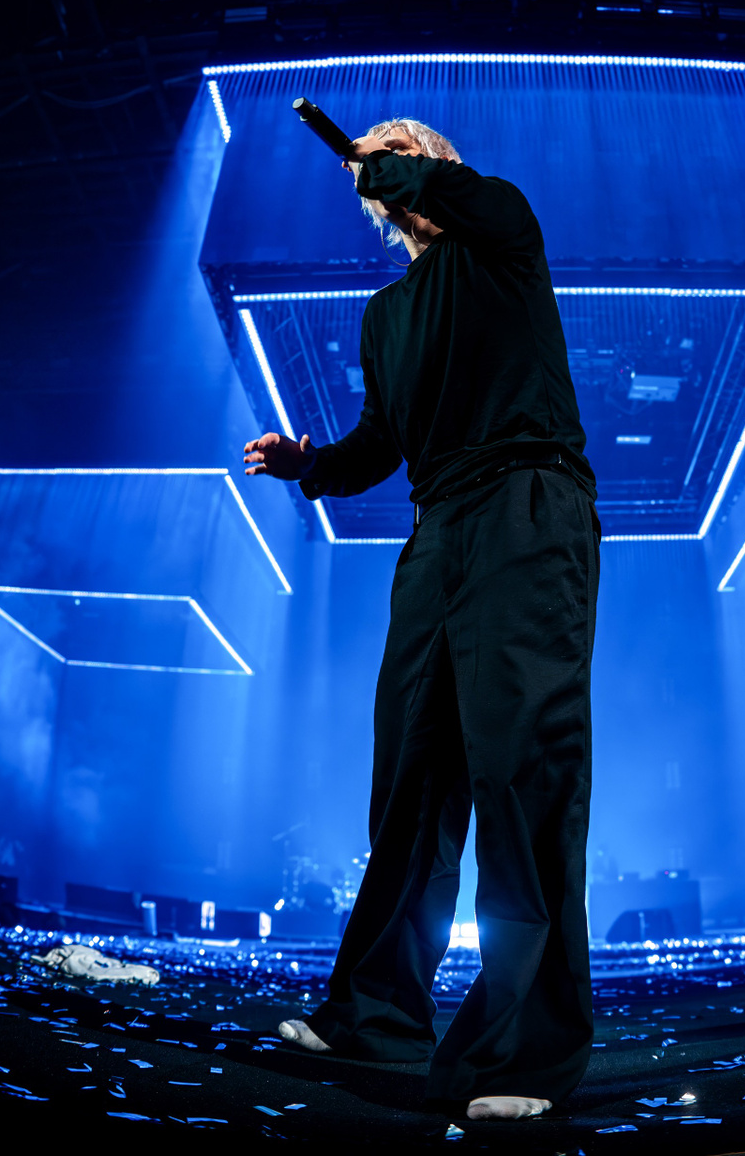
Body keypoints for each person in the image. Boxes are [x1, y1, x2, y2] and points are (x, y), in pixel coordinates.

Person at [243, 118, 599, 1122]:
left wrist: (387, 164)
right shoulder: (386, 312)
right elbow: (379, 442)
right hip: (438, 526)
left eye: (401, 144)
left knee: (520, 765)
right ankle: (377, 1012)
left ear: (431, 163)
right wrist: (310, 465)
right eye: (374, 149)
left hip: (529, 501)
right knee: (413, 771)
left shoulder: (501, 229)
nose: (384, 152)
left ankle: (526, 1050)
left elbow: (461, 193)